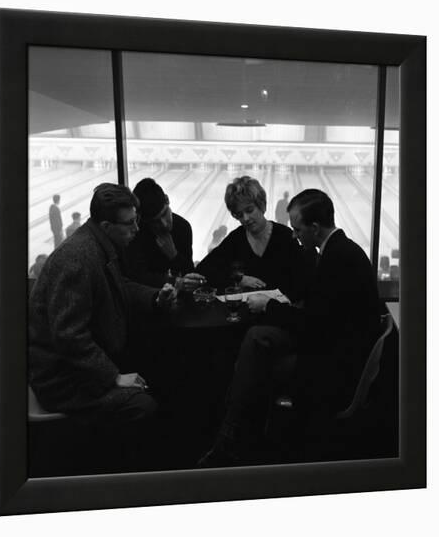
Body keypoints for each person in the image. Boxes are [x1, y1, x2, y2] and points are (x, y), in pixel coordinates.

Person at [198, 189, 381, 467]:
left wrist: (269, 307)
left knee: (255, 359)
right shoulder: (337, 251)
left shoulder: (338, 259)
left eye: (297, 229)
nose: (294, 235)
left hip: (335, 362)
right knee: (256, 339)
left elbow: (315, 328)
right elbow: (318, 316)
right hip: (332, 343)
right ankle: (242, 432)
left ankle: (237, 439)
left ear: (315, 228)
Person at [29, 183, 176, 428]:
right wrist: (113, 377)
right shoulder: (78, 259)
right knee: (144, 406)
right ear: (107, 226)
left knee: (160, 363)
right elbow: (69, 336)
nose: (137, 229)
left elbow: (120, 286)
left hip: (81, 364)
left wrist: (155, 296)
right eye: (130, 223)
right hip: (63, 380)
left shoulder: (99, 244)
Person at [196, 176, 311, 301]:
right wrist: (239, 279)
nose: (245, 218)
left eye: (249, 210)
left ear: (262, 206)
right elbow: (204, 270)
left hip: (279, 314)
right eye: (239, 215)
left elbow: (301, 283)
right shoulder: (236, 238)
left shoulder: (285, 236)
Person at [124, 177, 205, 290]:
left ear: (167, 199)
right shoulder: (136, 233)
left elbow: (189, 273)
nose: (163, 224)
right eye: (155, 222)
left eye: (164, 214)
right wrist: (174, 281)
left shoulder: (182, 227)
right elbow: (138, 276)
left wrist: (174, 255)